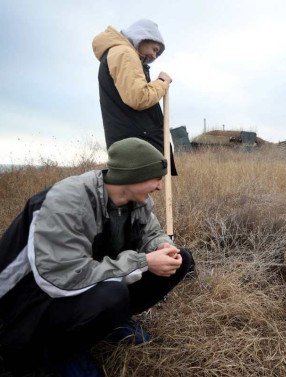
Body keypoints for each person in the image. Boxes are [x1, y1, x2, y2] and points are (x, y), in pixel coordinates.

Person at [0, 138, 194, 376]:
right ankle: (60, 353)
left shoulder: (136, 200)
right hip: (27, 305)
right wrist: (143, 261)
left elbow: (151, 232)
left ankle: (110, 322)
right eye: (156, 178)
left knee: (182, 259)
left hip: (79, 285)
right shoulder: (67, 202)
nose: (159, 186)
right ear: (132, 176)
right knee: (112, 293)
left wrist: (162, 246)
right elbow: (62, 277)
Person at [92, 19, 177, 175]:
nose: (154, 55)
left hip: (130, 144)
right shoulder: (124, 53)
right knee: (137, 193)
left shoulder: (117, 53)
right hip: (136, 146)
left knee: (134, 196)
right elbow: (139, 97)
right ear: (142, 37)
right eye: (154, 48)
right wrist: (162, 82)